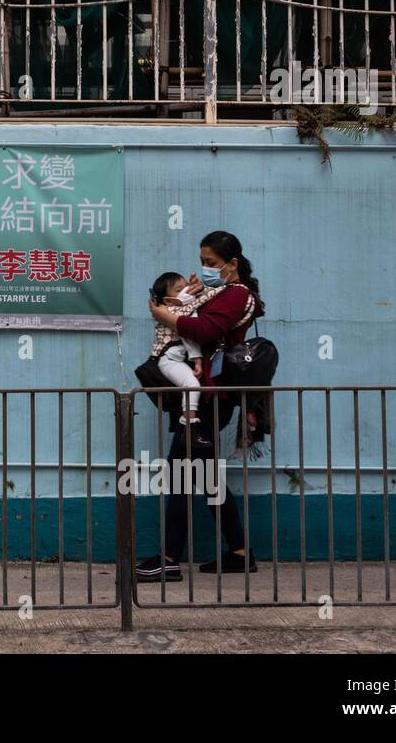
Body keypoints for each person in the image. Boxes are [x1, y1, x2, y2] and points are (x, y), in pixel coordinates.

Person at [136, 231, 265, 582]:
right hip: (208, 396)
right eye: (202, 262)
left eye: (210, 263)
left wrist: (167, 317)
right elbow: (199, 315)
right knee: (207, 478)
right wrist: (190, 295)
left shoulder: (238, 295)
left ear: (232, 264)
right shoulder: (223, 292)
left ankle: (169, 558)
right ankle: (239, 553)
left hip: (208, 399)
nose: (204, 268)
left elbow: (207, 329)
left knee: (180, 474)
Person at [149, 271, 224, 446]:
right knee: (191, 385)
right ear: (168, 300)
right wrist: (197, 359)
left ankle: (187, 431)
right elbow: (188, 336)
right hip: (169, 360)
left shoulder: (179, 309)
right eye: (179, 289)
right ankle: (189, 431)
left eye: (186, 286)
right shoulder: (174, 310)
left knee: (189, 388)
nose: (187, 291)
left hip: (175, 360)